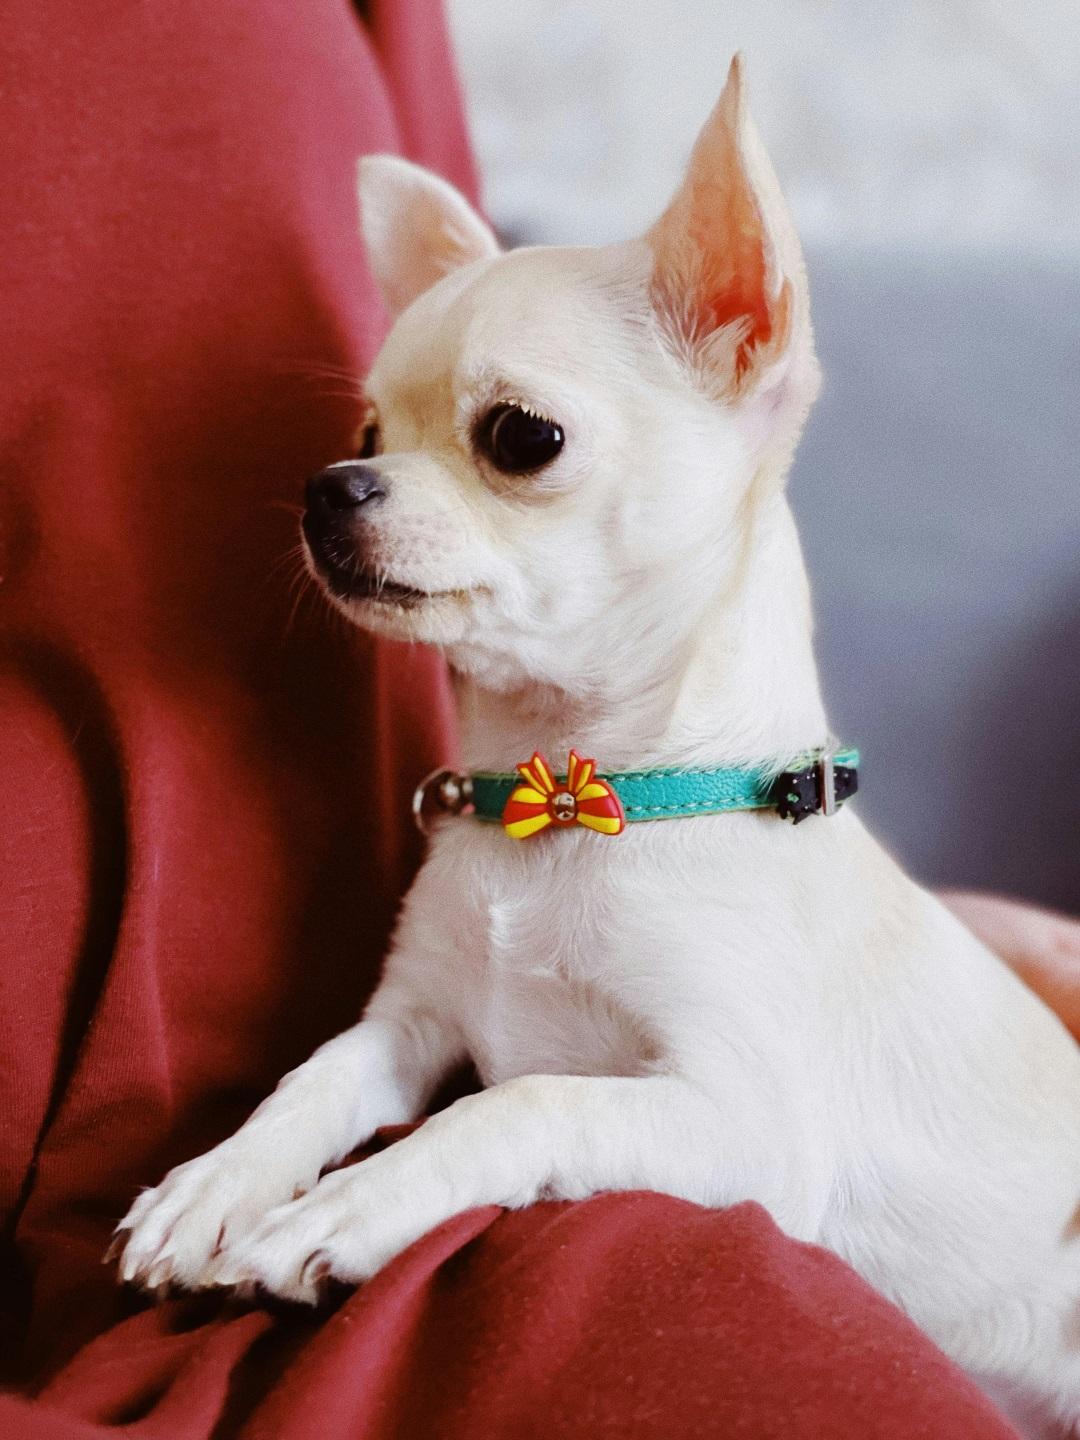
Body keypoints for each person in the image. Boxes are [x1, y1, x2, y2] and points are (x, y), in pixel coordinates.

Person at [1, 2, 1075, 1434]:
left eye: (518, 442)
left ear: (743, 333)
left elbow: (749, 1145)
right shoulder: (493, 829)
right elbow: (404, 1036)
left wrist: (470, 1152)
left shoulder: (750, 862)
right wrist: (254, 1164)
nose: (363, 486)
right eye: (377, 438)